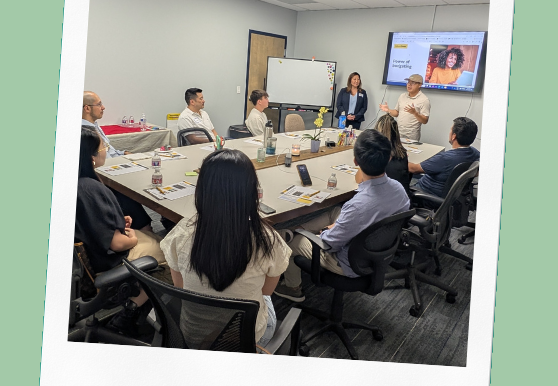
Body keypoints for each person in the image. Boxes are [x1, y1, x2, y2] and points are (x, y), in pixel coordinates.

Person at [162, 149, 292, 352]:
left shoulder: (182, 233)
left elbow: (180, 285)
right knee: (266, 301)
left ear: (202, 191)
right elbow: (266, 291)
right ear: (252, 192)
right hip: (246, 340)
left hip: (191, 336)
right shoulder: (268, 240)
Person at [278, 127, 410, 299]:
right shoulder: (400, 191)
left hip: (349, 262)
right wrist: (340, 225)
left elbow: (330, 243)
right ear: (389, 158)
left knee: (293, 243)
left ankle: (292, 287)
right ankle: (294, 229)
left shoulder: (358, 205)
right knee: (335, 211)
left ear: (355, 161)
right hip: (375, 253)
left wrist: (327, 230)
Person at [76, 129, 165, 272]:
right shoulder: (91, 189)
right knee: (169, 250)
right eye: (103, 147)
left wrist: (115, 220)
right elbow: (118, 244)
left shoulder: (75, 183)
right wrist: (133, 239)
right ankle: (139, 293)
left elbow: (90, 219)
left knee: (155, 237)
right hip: (108, 259)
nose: (106, 151)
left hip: (90, 252)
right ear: (92, 157)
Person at [410, 117, 479, 201]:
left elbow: (413, 169)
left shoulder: (445, 158)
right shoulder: (475, 153)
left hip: (426, 195)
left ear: (454, 136)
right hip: (453, 197)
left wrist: (401, 157)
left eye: (451, 130)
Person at [387, 73, 431, 149]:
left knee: (409, 156)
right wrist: (388, 110)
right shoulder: (402, 96)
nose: (409, 85)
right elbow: (396, 113)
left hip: (411, 135)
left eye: (413, 83)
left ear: (420, 85)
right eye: (408, 82)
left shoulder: (424, 100)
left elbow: (425, 120)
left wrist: (415, 113)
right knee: (396, 153)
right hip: (398, 132)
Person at [373, 110, 412, 193]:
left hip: (383, 201)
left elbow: (360, 180)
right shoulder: (403, 153)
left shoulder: (376, 155)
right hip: (402, 202)